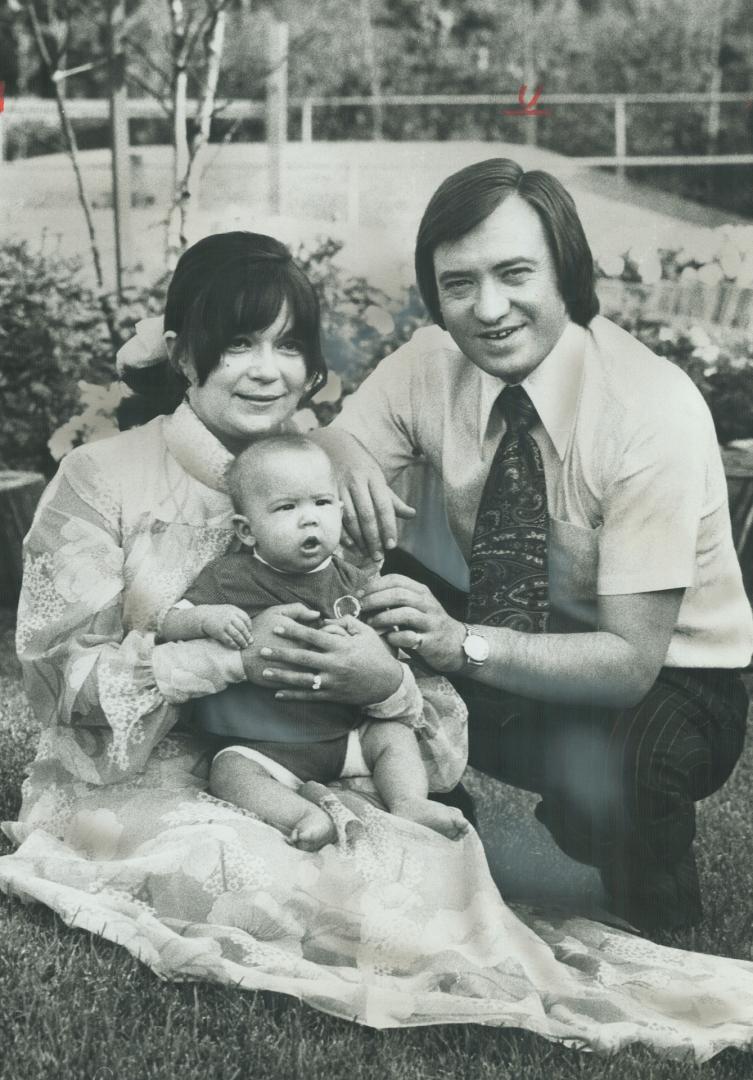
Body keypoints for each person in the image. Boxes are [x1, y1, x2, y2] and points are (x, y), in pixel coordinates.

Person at [6, 227, 753, 1059]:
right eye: (238, 345)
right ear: (183, 357)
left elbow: (408, 681)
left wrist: (385, 683)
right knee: (242, 873)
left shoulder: (325, 488)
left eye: (289, 347)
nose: (266, 370)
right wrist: (217, 661)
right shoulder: (102, 478)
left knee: (410, 868)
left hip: (324, 753)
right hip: (154, 768)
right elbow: (56, 685)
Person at [311, 157, 753, 934]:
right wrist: (340, 448)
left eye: (514, 273)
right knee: (355, 613)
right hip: (508, 631)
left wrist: (456, 645)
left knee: (623, 773)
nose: (487, 309)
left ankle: (649, 899)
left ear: (566, 273)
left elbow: (626, 662)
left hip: (671, 680)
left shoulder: (650, 409)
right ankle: (434, 842)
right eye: (457, 284)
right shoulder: (428, 365)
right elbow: (326, 462)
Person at [160, 433, 469, 847]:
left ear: (340, 511)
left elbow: (390, 653)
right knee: (230, 771)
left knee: (394, 735)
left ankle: (409, 801)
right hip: (266, 743)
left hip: (346, 735)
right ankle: (301, 815)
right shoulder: (229, 577)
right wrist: (209, 619)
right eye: (287, 508)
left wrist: (377, 645)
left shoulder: (354, 581)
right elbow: (169, 624)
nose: (310, 519)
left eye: (322, 504)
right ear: (247, 531)